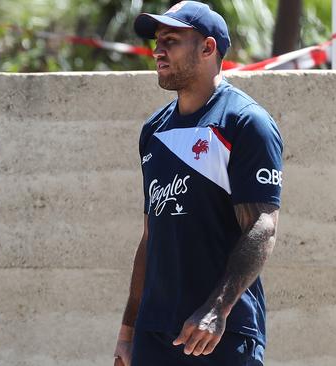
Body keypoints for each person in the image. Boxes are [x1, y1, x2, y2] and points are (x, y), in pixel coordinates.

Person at [114, 2, 283, 365]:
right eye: (157, 41)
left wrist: (217, 309)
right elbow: (150, 235)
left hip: (220, 331)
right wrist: (129, 331)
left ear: (208, 48)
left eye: (171, 40)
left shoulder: (246, 122)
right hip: (156, 333)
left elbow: (262, 226)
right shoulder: (154, 130)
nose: (158, 50)